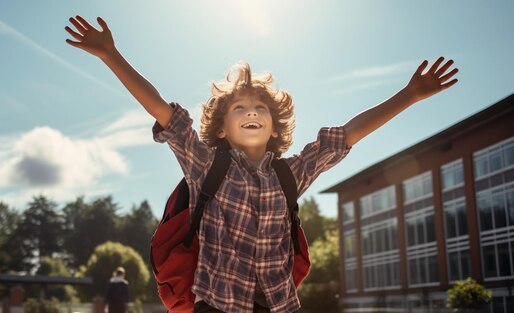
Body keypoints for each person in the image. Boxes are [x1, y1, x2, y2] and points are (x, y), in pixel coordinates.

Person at [64, 15, 458, 313]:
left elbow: (346, 135)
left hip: (279, 305)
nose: (251, 112)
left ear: (273, 125)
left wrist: (408, 95)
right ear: (221, 126)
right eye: (239, 107)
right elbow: (164, 112)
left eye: (260, 108)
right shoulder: (206, 166)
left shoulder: (290, 173)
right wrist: (110, 55)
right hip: (217, 304)